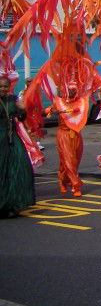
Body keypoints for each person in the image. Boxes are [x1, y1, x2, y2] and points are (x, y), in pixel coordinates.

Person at [0, 76, 34, 217]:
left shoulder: (12, 99)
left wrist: (22, 110)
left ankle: (14, 204)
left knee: (20, 168)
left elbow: (21, 118)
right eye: (1, 86)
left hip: (12, 138)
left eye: (5, 86)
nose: (3, 89)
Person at [50, 82, 85, 196]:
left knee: (74, 160)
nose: (72, 92)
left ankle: (63, 181)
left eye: (74, 90)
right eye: (70, 89)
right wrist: (52, 111)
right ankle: (76, 186)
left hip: (76, 134)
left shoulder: (80, 102)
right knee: (68, 159)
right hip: (63, 134)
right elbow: (46, 111)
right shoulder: (59, 102)